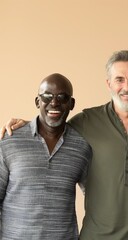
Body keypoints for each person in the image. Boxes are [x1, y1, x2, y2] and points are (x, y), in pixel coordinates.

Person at [0, 51, 128, 239]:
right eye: (119, 80)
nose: (127, 87)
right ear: (109, 84)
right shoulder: (86, 121)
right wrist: (27, 126)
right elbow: (53, 121)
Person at [0, 73, 92, 239]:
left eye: (62, 97)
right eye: (47, 96)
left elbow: (96, 199)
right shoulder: (10, 140)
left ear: (71, 104)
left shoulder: (82, 146)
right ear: (37, 102)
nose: (54, 102)